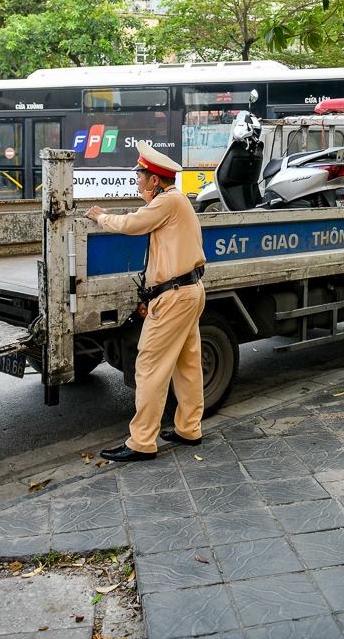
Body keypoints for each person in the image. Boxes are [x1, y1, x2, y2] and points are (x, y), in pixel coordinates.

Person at [86, 142, 207, 462]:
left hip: (174, 297)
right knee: (187, 364)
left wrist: (102, 217)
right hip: (188, 291)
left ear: (155, 181)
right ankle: (188, 429)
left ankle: (141, 441)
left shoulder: (168, 202)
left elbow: (133, 224)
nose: (137, 180)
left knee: (150, 365)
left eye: (140, 175)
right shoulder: (175, 200)